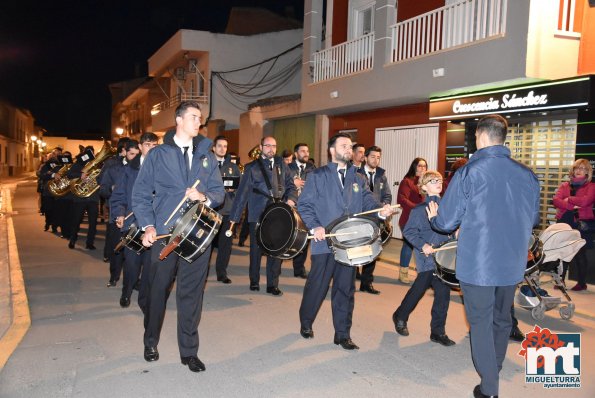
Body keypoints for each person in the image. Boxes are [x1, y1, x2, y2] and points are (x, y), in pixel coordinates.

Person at [427, 114, 540, 398]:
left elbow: (447, 220)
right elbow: (533, 217)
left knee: (479, 321)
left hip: (479, 263)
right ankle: (494, 367)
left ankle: (489, 387)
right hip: (513, 261)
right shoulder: (527, 174)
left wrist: (434, 219)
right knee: (501, 319)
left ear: (481, 136)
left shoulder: (469, 171)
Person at [132, 101, 225, 372]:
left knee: (191, 295)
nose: (200, 122)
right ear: (179, 120)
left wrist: (204, 197)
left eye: (201, 119)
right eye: (195, 117)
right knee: (157, 290)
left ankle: (189, 351)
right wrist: (148, 226)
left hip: (197, 235)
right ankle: (150, 341)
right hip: (164, 234)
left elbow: (220, 193)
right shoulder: (159, 155)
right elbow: (140, 195)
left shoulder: (206, 155)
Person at [298, 133, 395, 350]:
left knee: (345, 289)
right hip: (324, 242)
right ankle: (306, 321)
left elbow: (369, 202)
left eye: (350, 146)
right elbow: (304, 205)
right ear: (332, 150)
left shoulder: (358, 178)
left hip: (350, 244)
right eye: (344, 145)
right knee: (317, 286)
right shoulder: (318, 175)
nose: (348, 149)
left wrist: (381, 211)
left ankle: (342, 333)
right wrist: (315, 226)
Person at [229, 136, 298, 296]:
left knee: (277, 249)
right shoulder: (251, 167)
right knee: (256, 249)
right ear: (261, 147)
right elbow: (242, 194)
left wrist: (292, 199)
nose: (271, 149)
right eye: (268, 145)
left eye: (274, 146)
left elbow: (291, 186)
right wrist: (234, 218)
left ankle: (272, 284)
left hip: (278, 214)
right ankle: (254, 281)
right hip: (258, 214)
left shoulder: (282, 165)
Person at [392, 170, 454, 346]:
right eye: (433, 180)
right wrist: (423, 245)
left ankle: (437, 332)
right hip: (427, 258)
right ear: (424, 187)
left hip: (445, 259)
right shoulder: (419, 210)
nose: (438, 182)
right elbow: (409, 231)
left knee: (443, 294)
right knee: (418, 290)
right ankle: (400, 316)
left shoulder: (448, 207)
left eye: (440, 180)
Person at [111, 133, 158, 308]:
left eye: (155, 145)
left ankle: (144, 300)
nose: (152, 148)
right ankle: (126, 291)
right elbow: (119, 196)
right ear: (140, 146)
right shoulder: (129, 169)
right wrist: (120, 213)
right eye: (148, 145)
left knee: (149, 265)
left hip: (155, 226)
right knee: (132, 264)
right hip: (133, 224)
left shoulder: (162, 168)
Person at [100, 139, 139, 287]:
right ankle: (114, 276)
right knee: (117, 249)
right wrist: (113, 189)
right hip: (118, 215)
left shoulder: (141, 168)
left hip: (135, 216)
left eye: (137, 154)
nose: (134, 157)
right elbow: (103, 189)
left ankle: (132, 280)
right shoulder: (113, 168)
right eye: (131, 154)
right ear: (124, 152)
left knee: (134, 252)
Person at [553, 158, 595, 291]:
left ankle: (582, 283)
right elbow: (556, 201)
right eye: (577, 168)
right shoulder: (565, 185)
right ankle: (560, 281)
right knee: (562, 253)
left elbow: (586, 201)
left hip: (580, 223)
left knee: (580, 254)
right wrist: (571, 205)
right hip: (565, 221)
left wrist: (568, 199)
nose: (579, 171)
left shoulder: (591, 187)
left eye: (582, 168)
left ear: (587, 172)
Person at [356, 145, 392, 294]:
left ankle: (366, 283)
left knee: (372, 251)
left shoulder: (381, 175)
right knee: (355, 250)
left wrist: (385, 206)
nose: (376, 160)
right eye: (372, 157)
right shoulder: (356, 174)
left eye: (378, 157)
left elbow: (387, 195)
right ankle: (349, 280)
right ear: (365, 158)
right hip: (359, 218)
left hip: (375, 220)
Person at [211, 135, 242, 284]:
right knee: (207, 244)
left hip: (228, 211)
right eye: (219, 146)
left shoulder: (233, 167)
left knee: (226, 245)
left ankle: (221, 273)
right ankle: (201, 272)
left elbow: (240, 188)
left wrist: (232, 191)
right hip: (210, 210)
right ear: (213, 148)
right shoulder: (207, 165)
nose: (222, 149)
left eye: (225, 146)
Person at [287, 143, 315, 279]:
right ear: (296, 154)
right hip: (291, 207)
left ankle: (299, 268)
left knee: (304, 238)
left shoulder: (312, 168)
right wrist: (293, 183)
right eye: (303, 151)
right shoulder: (288, 167)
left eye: (307, 151)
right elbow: (281, 185)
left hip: (307, 208)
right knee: (288, 237)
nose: (306, 153)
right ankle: (277, 264)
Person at [397, 157, 427, 284]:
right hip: (408, 220)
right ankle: (403, 272)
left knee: (423, 247)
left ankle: (423, 274)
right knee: (408, 246)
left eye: (424, 166)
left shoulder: (426, 183)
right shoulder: (407, 182)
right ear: (414, 167)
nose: (422, 168)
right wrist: (417, 208)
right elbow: (402, 200)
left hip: (423, 221)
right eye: (420, 166)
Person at [67, 146, 100, 251]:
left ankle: (90, 243)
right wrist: (80, 175)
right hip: (80, 198)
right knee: (76, 220)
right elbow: (69, 174)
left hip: (93, 198)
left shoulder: (98, 164)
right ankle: (72, 239)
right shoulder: (78, 164)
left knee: (93, 222)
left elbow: (102, 176)